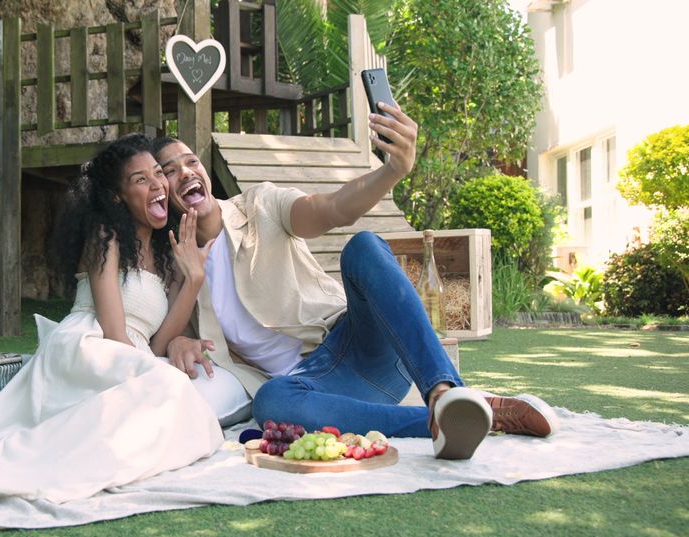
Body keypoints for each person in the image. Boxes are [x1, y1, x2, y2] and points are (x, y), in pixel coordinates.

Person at [153, 103, 558, 460]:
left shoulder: (260, 204)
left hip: (357, 347)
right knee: (271, 404)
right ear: (162, 193)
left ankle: (444, 392)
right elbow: (168, 339)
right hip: (314, 390)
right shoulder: (179, 270)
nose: (185, 172)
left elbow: (332, 209)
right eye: (169, 172)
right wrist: (178, 339)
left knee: (363, 246)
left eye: (191, 162)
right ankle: (471, 415)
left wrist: (393, 170)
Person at [0, 134, 223, 505]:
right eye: (141, 179)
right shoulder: (105, 236)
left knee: (178, 396)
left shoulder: (171, 252)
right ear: (117, 195)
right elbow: (115, 332)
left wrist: (193, 279)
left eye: (157, 175)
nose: (157, 185)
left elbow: (156, 344)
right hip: (90, 346)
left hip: (133, 357)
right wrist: (147, 374)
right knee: (167, 386)